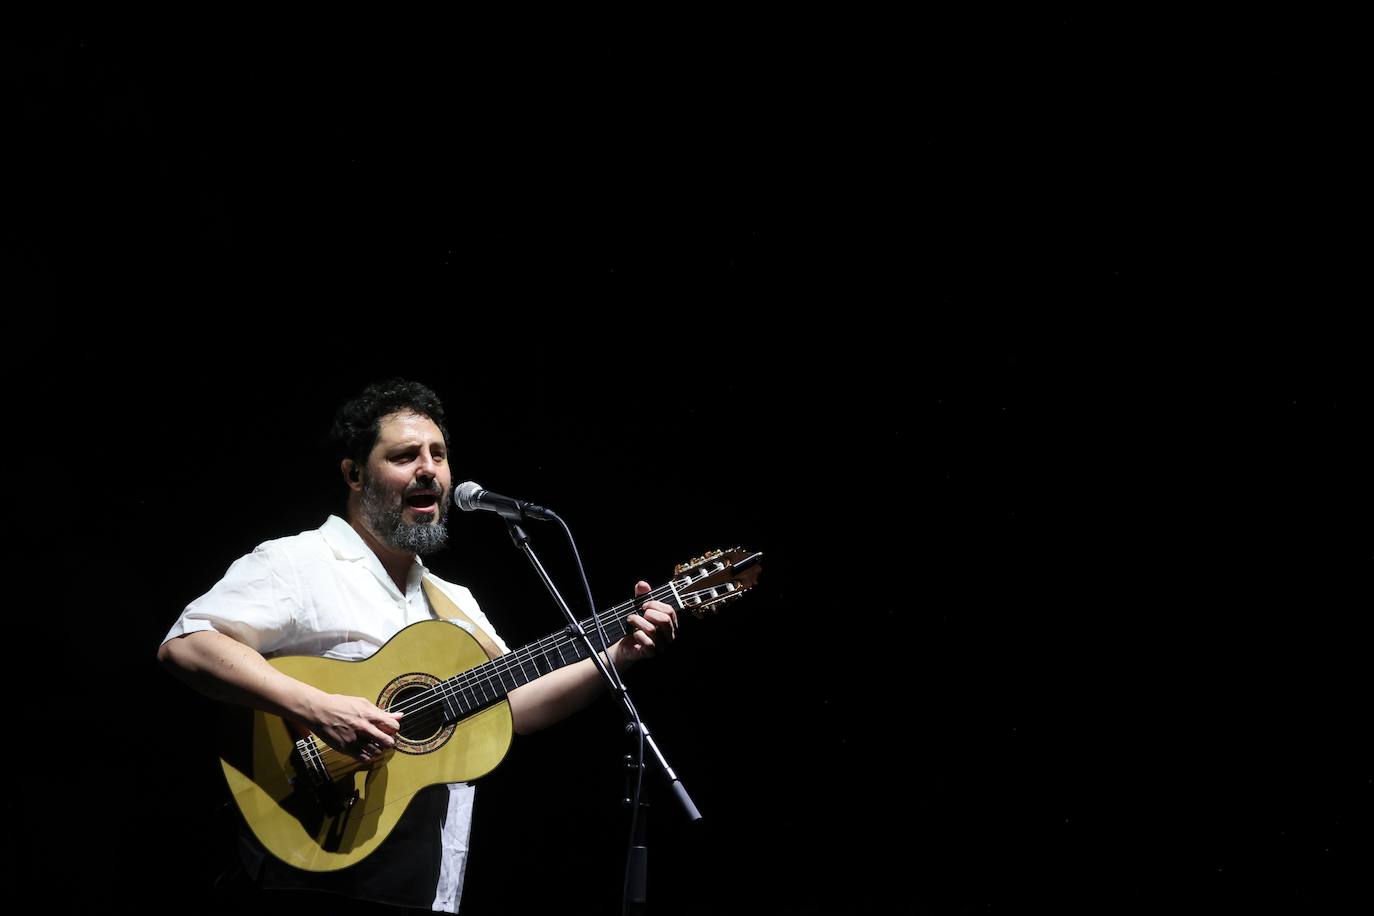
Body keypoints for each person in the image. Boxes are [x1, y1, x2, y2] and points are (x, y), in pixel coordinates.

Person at [157, 378, 678, 913]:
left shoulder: (454, 601)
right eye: (405, 456)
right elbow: (188, 645)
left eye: (439, 455)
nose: (428, 468)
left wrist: (618, 656)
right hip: (312, 864)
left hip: (427, 878)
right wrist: (318, 709)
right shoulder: (298, 562)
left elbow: (515, 706)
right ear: (354, 474)